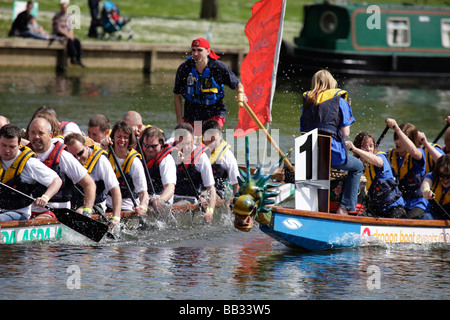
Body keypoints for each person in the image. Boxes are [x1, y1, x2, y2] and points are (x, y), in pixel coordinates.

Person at [300, 69, 364, 215]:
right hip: (331, 152)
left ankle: (307, 207)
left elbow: (303, 128)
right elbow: (345, 133)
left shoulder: (308, 101)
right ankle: (344, 207)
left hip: (308, 151)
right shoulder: (340, 101)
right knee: (358, 166)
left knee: (314, 165)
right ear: (331, 83)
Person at [27, 117, 96, 219]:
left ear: (50, 135)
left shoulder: (63, 156)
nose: (36, 137)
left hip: (57, 213)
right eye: (33, 133)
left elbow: (89, 184)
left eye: (41, 133)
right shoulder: (23, 154)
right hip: (28, 212)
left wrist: (87, 212)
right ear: (28, 134)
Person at [173, 38, 245, 132]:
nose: (195, 54)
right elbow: (177, 96)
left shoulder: (219, 68)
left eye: (199, 50)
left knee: (210, 138)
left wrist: (242, 95)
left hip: (214, 112)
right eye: (193, 50)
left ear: (208, 51)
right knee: (196, 144)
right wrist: (180, 120)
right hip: (192, 114)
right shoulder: (184, 68)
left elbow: (238, 85)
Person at [0, 124, 62, 221]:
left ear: (19, 145)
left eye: (12, 147)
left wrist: (45, 197)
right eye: (3, 145)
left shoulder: (30, 163)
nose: (7, 151)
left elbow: (57, 181)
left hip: (19, 214)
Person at [64, 133, 122, 226]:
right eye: (73, 156)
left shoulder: (101, 161)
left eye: (80, 153)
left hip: (96, 206)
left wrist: (116, 218)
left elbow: (115, 190)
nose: (77, 159)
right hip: (72, 204)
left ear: (86, 146)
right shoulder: (66, 158)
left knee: (79, 212)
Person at [347, 132, 406, 218]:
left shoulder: (380, 157)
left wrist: (355, 149)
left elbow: (377, 162)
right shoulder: (359, 167)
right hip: (376, 210)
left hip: (394, 209)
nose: (368, 149)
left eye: (371, 146)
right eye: (364, 146)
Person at [101, 120, 148, 216]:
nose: (122, 140)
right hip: (107, 206)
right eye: (118, 136)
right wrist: (102, 146)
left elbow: (143, 193)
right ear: (112, 138)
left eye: (126, 137)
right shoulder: (105, 154)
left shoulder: (135, 162)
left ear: (130, 140)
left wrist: (142, 207)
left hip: (128, 208)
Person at [172, 123, 215, 222]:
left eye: (189, 143)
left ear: (193, 140)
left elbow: (211, 188)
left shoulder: (201, 158)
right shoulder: (169, 151)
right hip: (171, 196)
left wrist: (210, 211)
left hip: (191, 198)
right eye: (181, 144)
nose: (186, 148)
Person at [386, 118, 428, 219]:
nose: (397, 142)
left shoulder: (418, 153)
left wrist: (397, 129)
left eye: (401, 138)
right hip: (398, 203)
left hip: (417, 203)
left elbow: (414, 152)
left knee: (411, 219)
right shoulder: (389, 155)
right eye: (396, 137)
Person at [139, 126, 177, 208]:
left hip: (162, 200)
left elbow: (170, 187)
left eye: (154, 146)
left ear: (161, 144)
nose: (150, 150)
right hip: (144, 198)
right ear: (142, 144)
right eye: (147, 146)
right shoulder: (138, 156)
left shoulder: (167, 160)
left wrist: (160, 200)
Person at [202, 119, 239, 197]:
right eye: (209, 140)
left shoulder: (227, 155)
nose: (213, 144)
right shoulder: (196, 151)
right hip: (198, 193)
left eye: (215, 140)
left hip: (218, 195)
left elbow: (235, 184)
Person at [52, 0, 84, 67]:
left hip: (68, 34)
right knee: (70, 41)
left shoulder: (69, 16)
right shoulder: (57, 16)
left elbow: (71, 28)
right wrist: (68, 35)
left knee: (77, 41)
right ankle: (72, 58)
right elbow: (58, 29)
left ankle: (79, 58)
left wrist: (71, 34)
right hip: (60, 34)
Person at [421, 154, 450, 219]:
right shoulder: (433, 176)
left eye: (448, 176)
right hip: (433, 214)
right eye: (442, 175)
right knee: (426, 217)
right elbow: (426, 183)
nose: (445, 180)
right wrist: (426, 190)